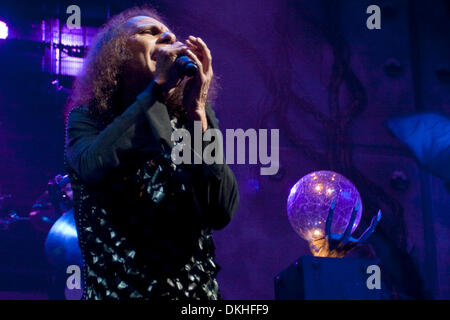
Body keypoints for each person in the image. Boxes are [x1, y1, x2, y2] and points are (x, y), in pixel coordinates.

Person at [64, 6, 239, 300]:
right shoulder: (88, 120)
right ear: (117, 53)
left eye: (168, 34)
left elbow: (220, 209)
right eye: (150, 32)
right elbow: (94, 164)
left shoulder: (189, 120)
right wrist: (158, 87)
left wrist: (198, 111)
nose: (168, 36)